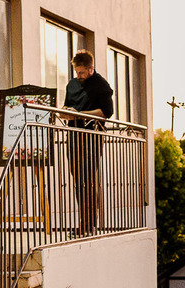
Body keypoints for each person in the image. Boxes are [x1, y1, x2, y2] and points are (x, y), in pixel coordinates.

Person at [62, 50, 113, 236]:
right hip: (74, 135)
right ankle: (83, 222)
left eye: (82, 72)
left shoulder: (101, 85)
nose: (79, 75)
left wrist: (81, 114)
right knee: (77, 180)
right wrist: (65, 112)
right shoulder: (72, 84)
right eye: (77, 72)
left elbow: (106, 112)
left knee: (89, 181)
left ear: (92, 68)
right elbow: (66, 107)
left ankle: (89, 224)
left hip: (92, 136)